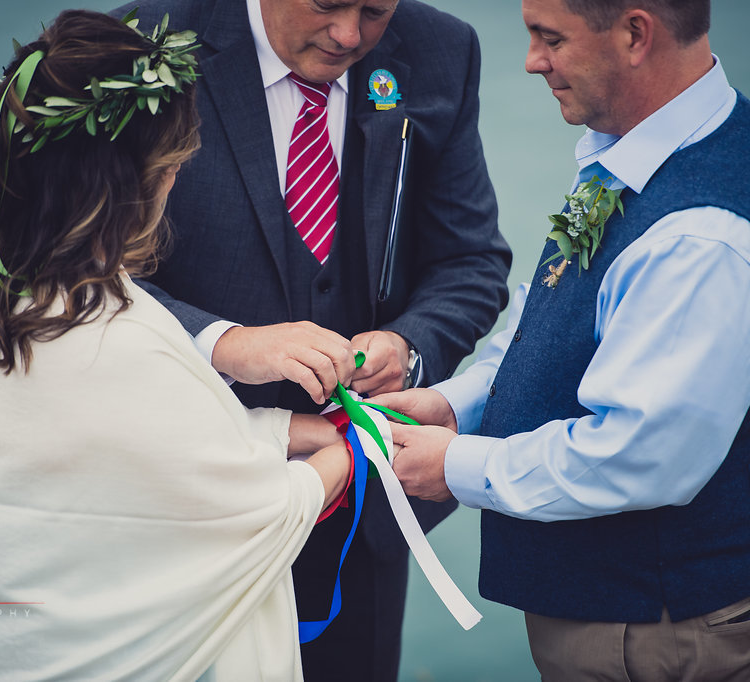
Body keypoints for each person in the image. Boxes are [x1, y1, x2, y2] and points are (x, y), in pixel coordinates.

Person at [375, 0, 750, 679]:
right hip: (622, 619)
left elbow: (638, 457)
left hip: (661, 634)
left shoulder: (701, 242)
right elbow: (556, 306)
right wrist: (460, 405)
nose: (532, 61)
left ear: (635, 34)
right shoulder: (640, 147)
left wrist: (456, 465)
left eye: (551, 39)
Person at [0, 10, 355, 680]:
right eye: (172, 165)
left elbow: (143, 450)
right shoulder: (120, 339)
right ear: (129, 187)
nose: (176, 178)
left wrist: (286, 430)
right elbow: (262, 512)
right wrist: (346, 454)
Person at [111, 1, 512, 679]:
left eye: (375, 9)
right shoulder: (135, 43)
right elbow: (68, 268)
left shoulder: (441, 50)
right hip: (178, 503)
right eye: (327, 3)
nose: (351, 35)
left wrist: (408, 346)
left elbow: (470, 262)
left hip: (360, 514)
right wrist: (221, 342)